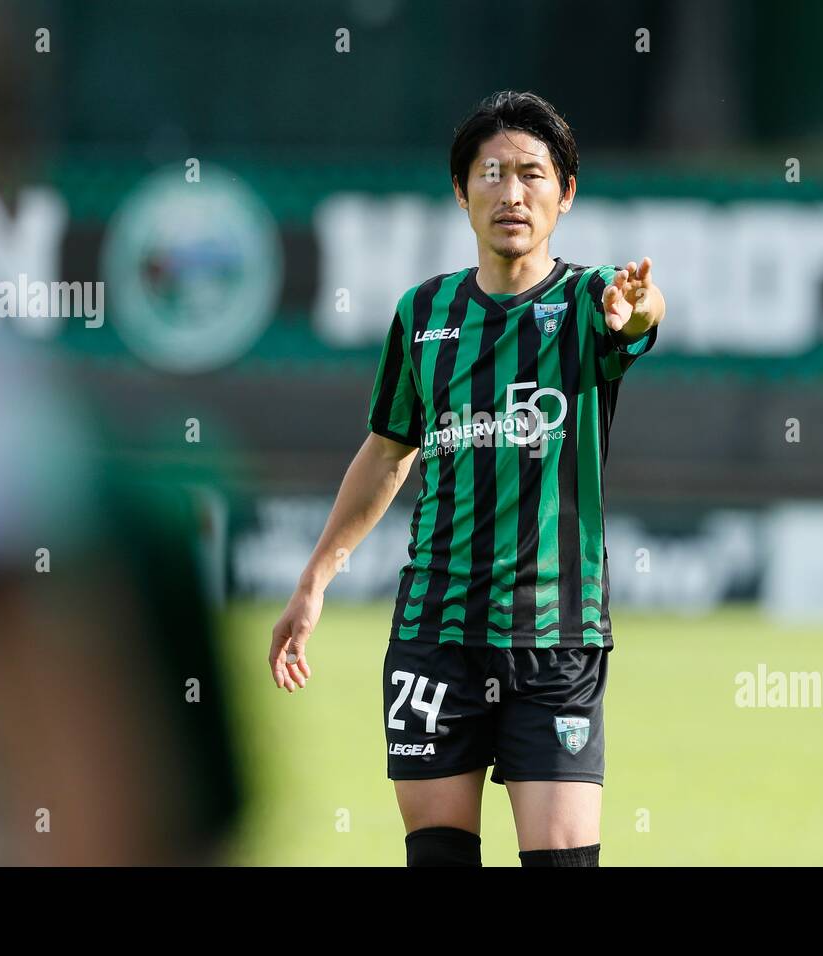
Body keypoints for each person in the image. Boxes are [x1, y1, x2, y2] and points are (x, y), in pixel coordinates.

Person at [268, 90, 665, 867]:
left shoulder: (591, 302)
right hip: (434, 636)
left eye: (532, 174)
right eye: (491, 173)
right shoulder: (424, 314)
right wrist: (314, 580)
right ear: (461, 191)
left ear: (566, 193)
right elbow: (387, 451)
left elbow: (641, 318)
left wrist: (641, 311)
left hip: (556, 638)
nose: (511, 194)